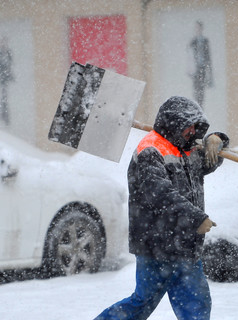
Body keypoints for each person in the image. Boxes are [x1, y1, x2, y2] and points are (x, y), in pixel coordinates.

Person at [95, 96, 229, 320]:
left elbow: (207, 162)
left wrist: (217, 139)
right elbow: (161, 195)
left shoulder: (185, 148)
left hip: (185, 244)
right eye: (190, 126)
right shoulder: (150, 151)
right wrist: (196, 218)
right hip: (156, 245)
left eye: (197, 127)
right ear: (175, 123)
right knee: (142, 302)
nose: (193, 132)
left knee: (197, 305)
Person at [188, 21, 213, 107]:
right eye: (196, 28)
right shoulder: (193, 41)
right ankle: (196, 105)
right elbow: (189, 56)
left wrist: (209, 71)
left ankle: (200, 106)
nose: (197, 30)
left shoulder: (205, 41)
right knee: (196, 90)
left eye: (198, 28)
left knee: (201, 90)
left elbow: (208, 57)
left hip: (202, 68)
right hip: (195, 69)